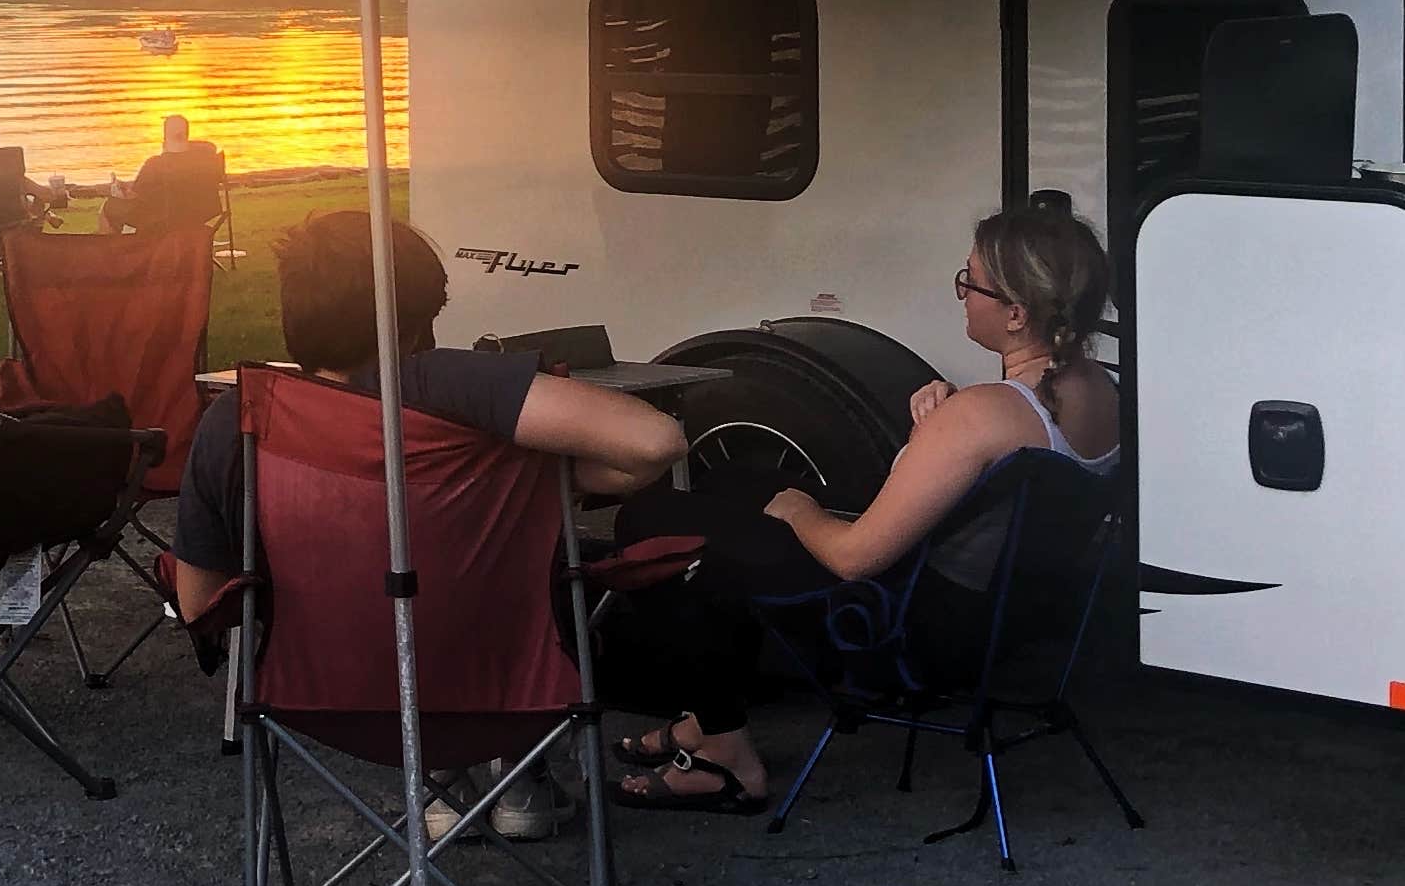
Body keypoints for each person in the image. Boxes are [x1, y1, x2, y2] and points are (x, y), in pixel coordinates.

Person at [168, 210, 684, 837]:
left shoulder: (240, 418)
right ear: (416, 316)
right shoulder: (452, 384)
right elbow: (655, 441)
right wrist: (537, 480)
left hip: (321, 699)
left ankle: (444, 790)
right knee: (506, 576)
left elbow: (199, 604)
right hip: (507, 695)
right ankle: (519, 778)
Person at [599, 198, 1119, 813]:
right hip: (1001, 621)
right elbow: (998, 472)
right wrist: (939, 425)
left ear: (1015, 312)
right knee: (740, 480)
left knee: (653, 524)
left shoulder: (983, 414)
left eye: (970, 282)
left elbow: (853, 558)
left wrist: (798, 511)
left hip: (904, 627)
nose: (961, 295)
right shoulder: (1101, 390)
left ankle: (723, 757)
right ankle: (700, 722)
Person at [122, 114, 224, 236]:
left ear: (165, 137)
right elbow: (209, 146)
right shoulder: (206, 159)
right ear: (187, 135)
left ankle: (113, 252)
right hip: (200, 216)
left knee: (110, 209)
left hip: (162, 221)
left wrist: (122, 192)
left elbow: (136, 197)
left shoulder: (155, 164)